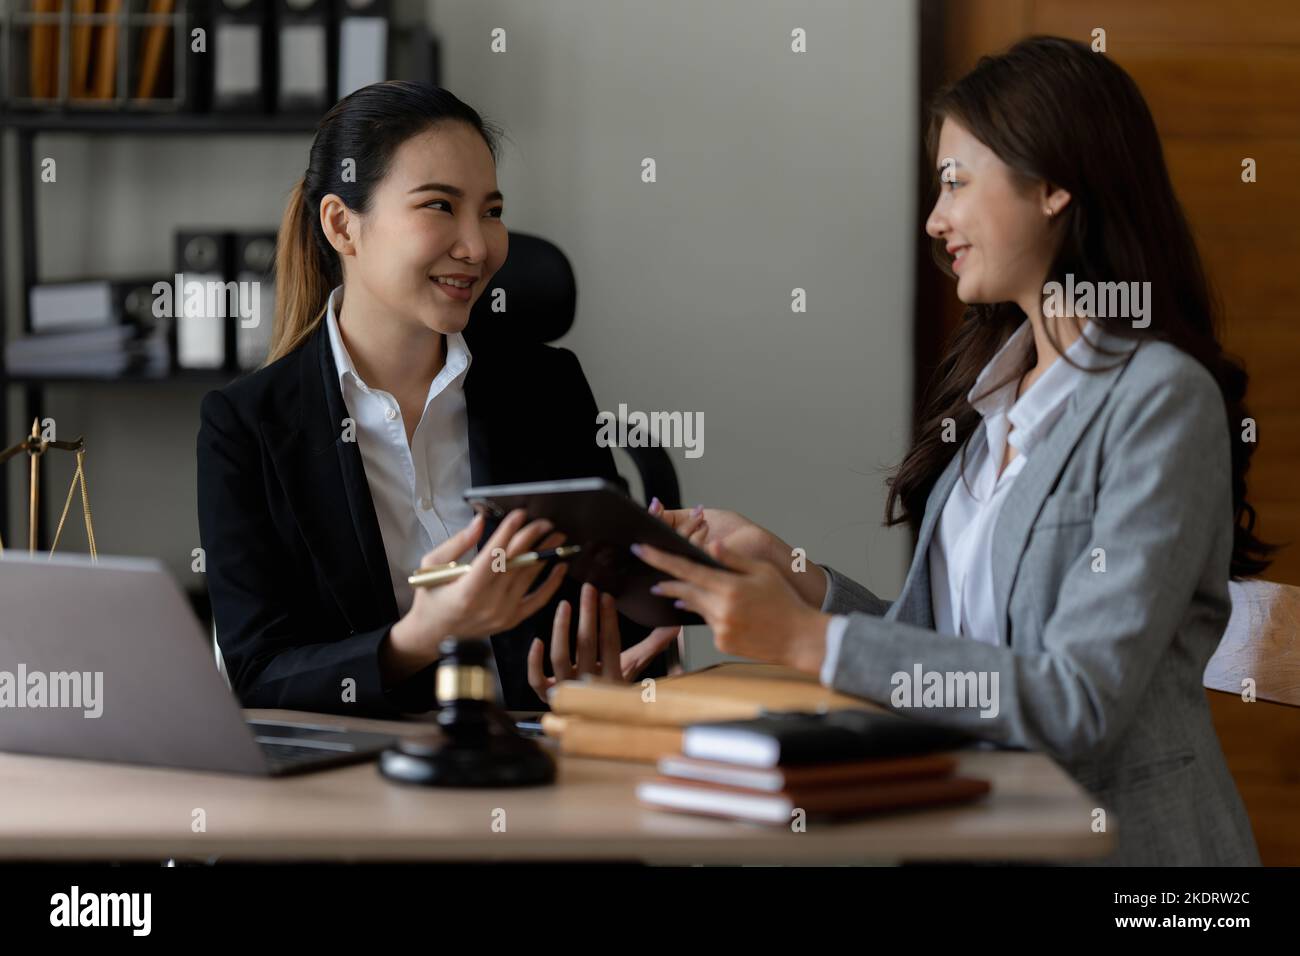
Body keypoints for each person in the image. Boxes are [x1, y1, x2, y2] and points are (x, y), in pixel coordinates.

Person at [630, 37, 1271, 865]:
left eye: (955, 183)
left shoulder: (1159, 401)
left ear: (1053, 184)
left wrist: (798, 640)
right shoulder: (992, 403)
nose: (936, 220)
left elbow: (1078, 702)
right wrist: (794, 576)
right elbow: (941, 661)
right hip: (974, 832)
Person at [196, 81, 680, 716]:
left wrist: (657, 595)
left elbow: (605, 620)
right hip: (355, 775)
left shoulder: (545, 386)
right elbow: (257, 676)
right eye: (439, 207)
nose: (477, 247)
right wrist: (419, 637)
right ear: (343, 225)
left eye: (491, 211)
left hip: (529, 761)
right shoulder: (246, 426)